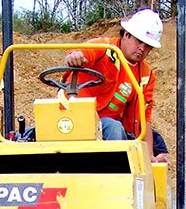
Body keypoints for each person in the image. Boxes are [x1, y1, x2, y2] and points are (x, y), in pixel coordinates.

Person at [64, 9, 170, 164]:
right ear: (126, 34)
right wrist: (75, 56)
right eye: (138, 41)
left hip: (109, 128)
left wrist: (150, 159)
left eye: (147, 46)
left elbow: (144, 118)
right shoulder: (105, 48)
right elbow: (82, 52)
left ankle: (118, 179)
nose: (142, 48)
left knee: (157, 144)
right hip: (75, 118)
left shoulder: (146, 75)